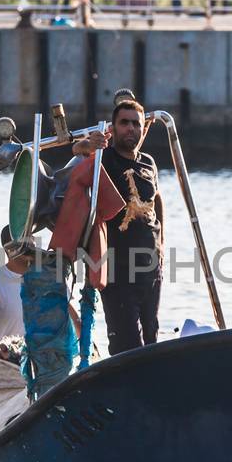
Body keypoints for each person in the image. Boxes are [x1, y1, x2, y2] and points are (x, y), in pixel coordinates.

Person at [85, 97, 165, 354]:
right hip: (118, 269)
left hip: (151, 267)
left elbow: (157, 200)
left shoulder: (148, 162)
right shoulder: (103, 159)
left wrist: (161, 243)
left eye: (136, 124)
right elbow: (77, 154)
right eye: (124, 123)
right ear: (114, 127)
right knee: (126, 345)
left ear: (143, 129)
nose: (131, 128)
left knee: (151, 336)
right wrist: (87, 145)